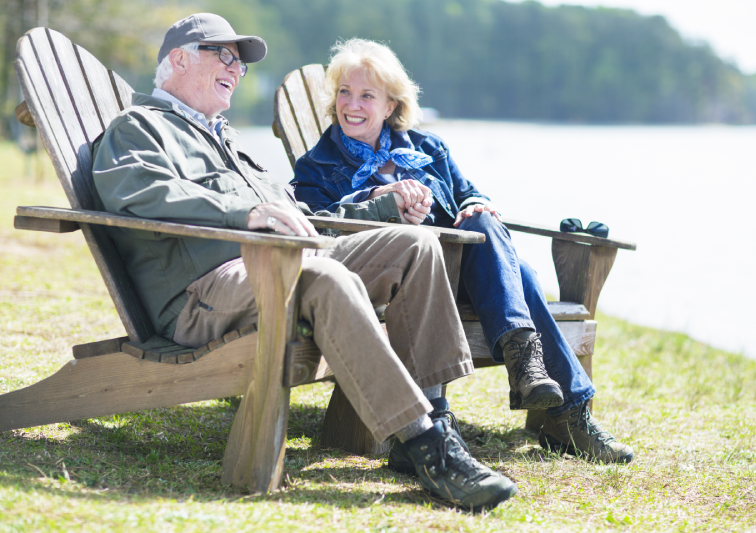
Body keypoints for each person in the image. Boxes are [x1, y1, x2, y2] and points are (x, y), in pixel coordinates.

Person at [91, 14, 517, 511]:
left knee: (414, 246)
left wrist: (382, 208)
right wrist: (243, 211)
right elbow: (133, 190)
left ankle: (435, 414)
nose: (237, 68)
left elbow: (305, 216)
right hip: (206, 291)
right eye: (224, 55)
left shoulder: (224, 141)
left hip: (287, 262)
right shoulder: (139, 127)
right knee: (322, 275)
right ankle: (426, 446)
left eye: (241, 62)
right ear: (179, 59)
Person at [291, 38, 635, 464]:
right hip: (398, 283)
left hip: (461, 275)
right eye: (344, 92)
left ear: (391, 106)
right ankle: (563, 409)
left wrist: (475, 203)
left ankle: (540, 381)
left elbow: (470, 193)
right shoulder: (316, 166)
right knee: (523, 277)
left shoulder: (429, 150)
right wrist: (383, 197)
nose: (352, 104)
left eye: (366, 95)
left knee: (485, 224)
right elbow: (322, 226)